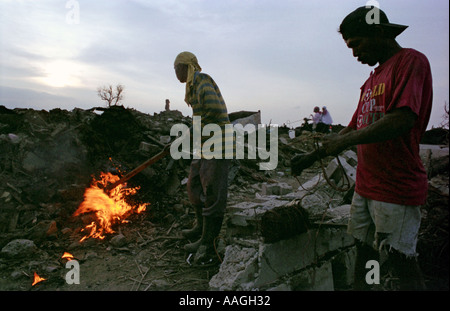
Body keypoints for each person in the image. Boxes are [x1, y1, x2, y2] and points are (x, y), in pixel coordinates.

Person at [320, 6, 432, 290]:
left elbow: (402, 119)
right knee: (366, 252)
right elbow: (354, 127)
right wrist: (312, 155)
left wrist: (344, 141)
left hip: (396, 186)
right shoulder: (370, 81)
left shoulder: (411, 61)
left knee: (400, 259)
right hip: (366, 185)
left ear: (378, 32)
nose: (355, 54)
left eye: (357, 44)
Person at [173, 51, 233, 264]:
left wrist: (194, 128)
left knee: (213, 190)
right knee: (194, 185)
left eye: (177, 68)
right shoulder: (192, 86)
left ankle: (209, 242)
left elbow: (215, 110)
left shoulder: (202, 81)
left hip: (218, 142)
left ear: (186, 67)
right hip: (205, 142)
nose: (176, 73)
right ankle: (201, 228)